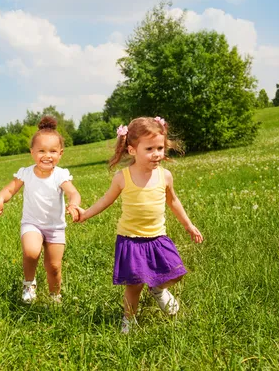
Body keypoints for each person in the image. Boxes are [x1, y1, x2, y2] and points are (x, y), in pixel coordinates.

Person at [75, 116, 203, 333]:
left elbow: (173, 201)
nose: (157, 154)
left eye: (160, 147)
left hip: (157, 237)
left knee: (176, 272)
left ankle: (158, 289)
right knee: (134, 285)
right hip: (131, 239)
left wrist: (188, 225)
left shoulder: (165, 176)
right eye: (150, 148)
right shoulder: (122, 177)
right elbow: (106, 200)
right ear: (132, 150)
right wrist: (85, 214)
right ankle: (129, 319)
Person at [0, 116, 81, 304]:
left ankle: (55, 296)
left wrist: (73, 204)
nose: (47, 156)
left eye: (52, 151)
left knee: (54, 267)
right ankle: (29, 284)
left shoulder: (60, 175)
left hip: (56, 227)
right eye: (41, 151)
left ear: (60, 153)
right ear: (32, 152)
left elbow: (73, 193)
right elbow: (9, 190)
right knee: (31, 253)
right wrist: (0, 199)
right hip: (32, 223)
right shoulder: (26, 173)